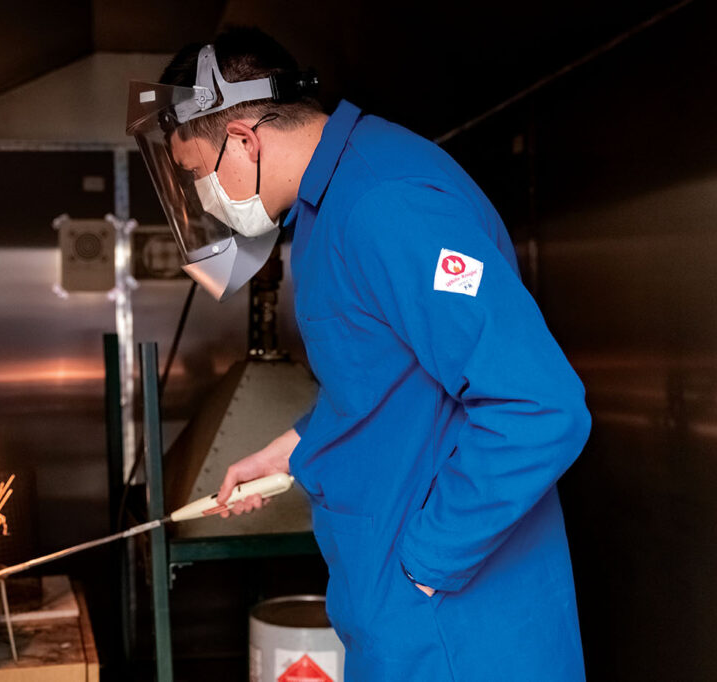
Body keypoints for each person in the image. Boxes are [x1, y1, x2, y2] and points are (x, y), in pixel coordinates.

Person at [126, 26, 591, 681]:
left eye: (197, 176)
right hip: (398, 614)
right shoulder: (328, 205)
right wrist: (292, 446)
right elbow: (386, 378)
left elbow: (539, 406)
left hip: (456, 631)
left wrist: (427, 567)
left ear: (243, 139)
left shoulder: (386, 202)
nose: (206, 198)